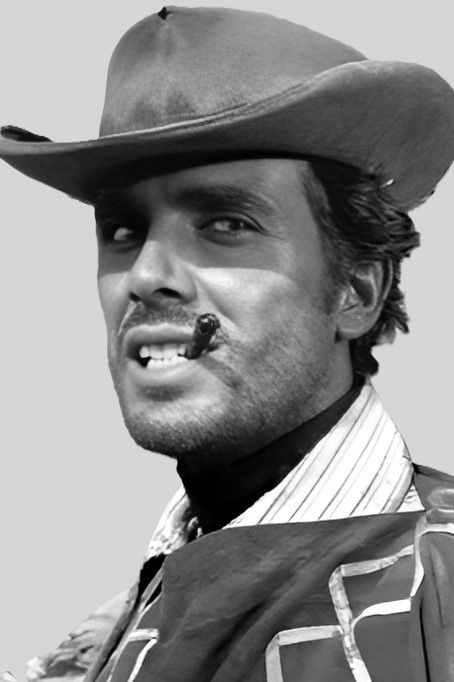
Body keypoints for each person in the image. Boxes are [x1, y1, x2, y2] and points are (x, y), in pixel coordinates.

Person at [1, 6, 454, 681]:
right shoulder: (110, 636)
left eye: (226, 223)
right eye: (122, 231)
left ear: (355, 291)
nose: (146, 276)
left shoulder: (438, 598)